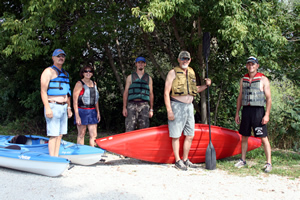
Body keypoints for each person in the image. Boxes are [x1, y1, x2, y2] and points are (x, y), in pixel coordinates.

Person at [164, 51, 211, 171]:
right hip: (177, 105)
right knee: (176, 135)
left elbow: (195, 89)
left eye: (187, 59)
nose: (185, 60)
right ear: (178, 60)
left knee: (190, 135)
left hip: (189, 107)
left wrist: (206, 86)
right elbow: (166, 93)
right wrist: (169, 110)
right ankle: (177, 160)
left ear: (190, 60)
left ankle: (185, 159)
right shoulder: (172, 73)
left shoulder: (191, 72)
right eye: (182, 58)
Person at [234, 56, 272, 173]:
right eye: (249, 64)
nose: (251, 66)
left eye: (253, 64)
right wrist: (237, 113)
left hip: (258, 111)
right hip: (246, 110)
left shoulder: (263, 79)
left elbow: (269, 98)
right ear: (247, 66)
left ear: (257, 66)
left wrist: (267, 115)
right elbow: (240, 97)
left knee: (263, 137)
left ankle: (269, 162)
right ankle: (243, 160)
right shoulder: (243, 79)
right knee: (244, 136)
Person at [40, 49, 72, 157]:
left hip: (64, 107)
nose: (61, 58)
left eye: (62, 56)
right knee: (53, 135)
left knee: (60, 134)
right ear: (53, 58)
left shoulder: (65, 73)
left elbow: (67, 93)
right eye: (58, 56)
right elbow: (43, 91)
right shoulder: (48, 72)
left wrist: (69, 108)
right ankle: (52, 158)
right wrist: (47, 108)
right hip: (53, 105)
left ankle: (56, 156)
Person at [122, 56, 154, 132]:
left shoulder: (149, 78)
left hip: (144, 105)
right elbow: (126, 93)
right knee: (130, 128)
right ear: (136, 64)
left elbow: (151, 94)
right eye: (139, 63)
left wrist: (151, 109)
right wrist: (124, 107)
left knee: (144, 129)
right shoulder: (130, 77)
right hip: (131, 105)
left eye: (142, 63)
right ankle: (129, 143)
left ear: (145, 64)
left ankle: (143, 144)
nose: (140, 64)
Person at [73, 66, 101, 147]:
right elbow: (75, 101)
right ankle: (81, 153)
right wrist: (77, 115)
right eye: (86, 71)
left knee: (93, 135)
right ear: (83, 73)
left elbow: (96, 99)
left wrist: (98, 111)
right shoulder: (79, 84)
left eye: (90, 71)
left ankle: (92, 153)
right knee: (81, 134)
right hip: (82, 110)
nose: (88, 73)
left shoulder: (94, 83)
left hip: (92, 111)